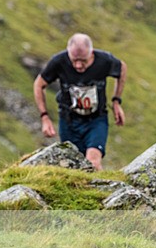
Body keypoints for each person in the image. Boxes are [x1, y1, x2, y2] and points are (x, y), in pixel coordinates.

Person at [33, 33, 127, 171]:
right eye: (74, 60)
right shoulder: (59, 62)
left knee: (92, 162)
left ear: (91, 53)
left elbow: (122, 68)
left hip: (96, 119)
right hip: (69, 121)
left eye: (83, 60)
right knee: (72, 167)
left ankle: (101, 191)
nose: (78, 65)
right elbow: (39, 84)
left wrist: (116, 101)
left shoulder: (104, 61)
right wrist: (44, 116)